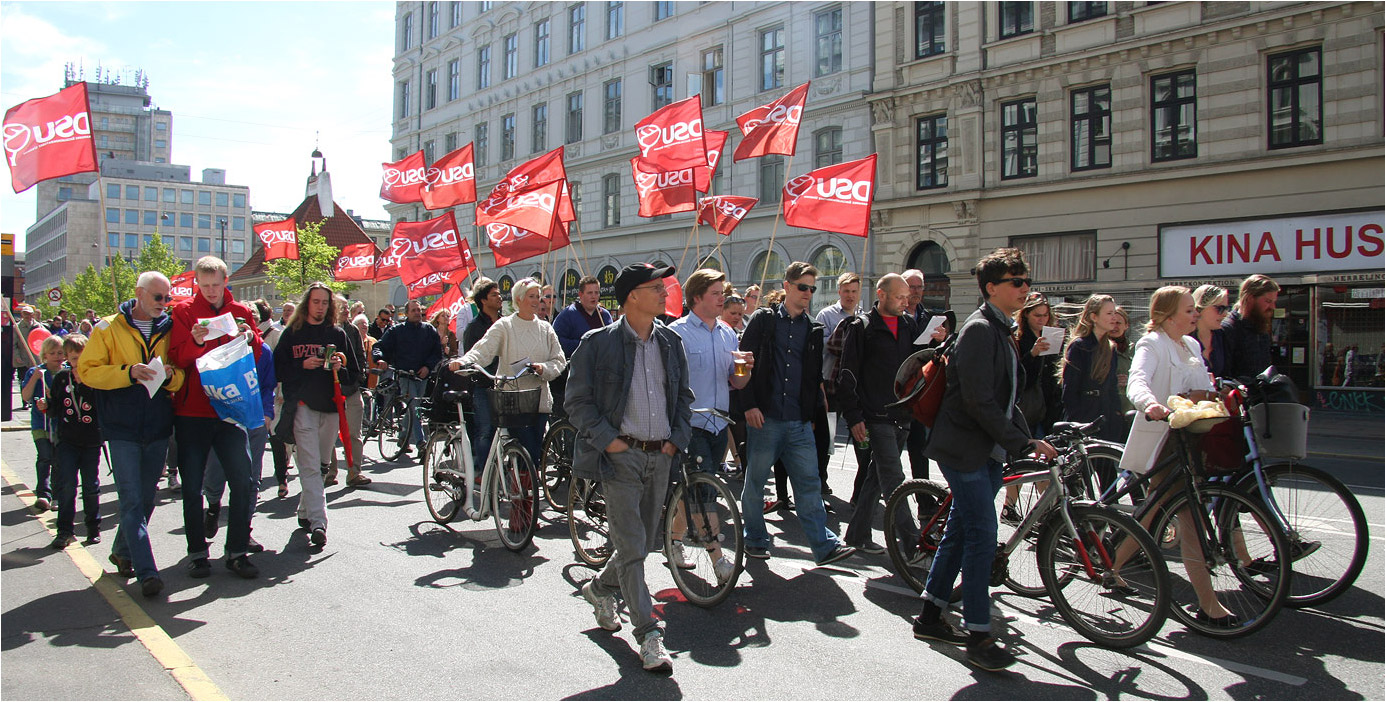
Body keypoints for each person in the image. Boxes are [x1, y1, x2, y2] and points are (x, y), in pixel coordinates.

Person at [916, 248, 1057, 671]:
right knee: (981, 535)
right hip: (965, 450)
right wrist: (1021, 443)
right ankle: (978, 634)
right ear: (991, 288)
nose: (1024, 288)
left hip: (986, 449)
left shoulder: (1001, 329)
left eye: (1026, 281)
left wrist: (1028, 438)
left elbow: (1005, 398)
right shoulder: (981, 330)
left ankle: (928, 616)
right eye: (1016, 282)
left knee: (961, 530)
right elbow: (979, 401)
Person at [565, 263, 694, 673]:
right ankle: (648, 634)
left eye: (663, 286)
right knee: (633, 546)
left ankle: (600, 589)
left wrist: (676, 440)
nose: (664, 292)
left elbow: (684, 399)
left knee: (642, 542)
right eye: (655, 287)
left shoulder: (671, 342)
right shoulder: (597, 342)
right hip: (620, 458)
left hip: (661, 455)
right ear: (631, 297)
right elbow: (577, 401)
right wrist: (612, 442)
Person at [1118, 286, 1237, 625]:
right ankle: (1208, 603)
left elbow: (1200, 384)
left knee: (1155, 508)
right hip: (1165, 439)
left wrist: (1220, 391)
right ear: (1168, 316)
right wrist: (1149, 403)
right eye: (1189, 310)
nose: (1195, 314)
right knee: (1189, 517)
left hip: (1193, 438)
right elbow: (1137, 381)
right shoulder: (1151, 343)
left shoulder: (1192, 345)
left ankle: (1111, 565)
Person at [737, 261, 856, 566]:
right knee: (755, 483)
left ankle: (823, 545)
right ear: (787, 286)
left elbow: (813, 376)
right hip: (765, 418)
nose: (807, 293)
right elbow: (740, 363)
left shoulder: (814, 328)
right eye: (802, 287)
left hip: (799, 421)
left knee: (809, 484)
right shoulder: (764, 321)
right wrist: (748, 404)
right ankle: (755, 538)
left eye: (812, 289)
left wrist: (816, 416)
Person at [81, 272, 184, 597]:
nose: (164, 304)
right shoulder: (107, 327)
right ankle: (147, 571)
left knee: (145, 498)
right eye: (158, 297)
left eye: (167, 298)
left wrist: (170, 377)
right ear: (139, 293)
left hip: (156, 426)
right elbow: (86, 371)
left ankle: (123, 552)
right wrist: (128, 373)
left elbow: (181, 376)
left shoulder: (170, 328)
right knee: (130, 500)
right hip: (121, 427)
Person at [168, 255, 264, 580]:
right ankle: (197, 553)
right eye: (204, 285)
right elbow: (178, 357)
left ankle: (236, 551)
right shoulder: (182, 312)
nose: (210, 291)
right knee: (192, 485)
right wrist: (195, 340)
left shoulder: (240, 313)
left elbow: (258, 352)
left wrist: (251, 338)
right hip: (192, 411)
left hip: (230, 409)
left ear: (225, 282)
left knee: (242, 480)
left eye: (215, 284)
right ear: (197, 283)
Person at [667, 268, 753, 582]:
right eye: (716, 294)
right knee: (705, 494)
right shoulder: (676, 333)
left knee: (696, 493)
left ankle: (673, 540)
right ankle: (718, 559)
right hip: (691, 425)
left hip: (720, 424)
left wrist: (745, 369)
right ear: (697, 298)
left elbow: (737, 383)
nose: (722, 299)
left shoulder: (728, 333)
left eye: (722, 293)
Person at [838, 273, 920, 555]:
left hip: (903, 413)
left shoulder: (909, 324)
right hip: (875, 414)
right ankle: (913, 544)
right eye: (899, 297)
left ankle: (856, 535)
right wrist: (854, 416)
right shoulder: (861, 326)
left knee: (877, 475)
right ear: (882, 294)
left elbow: (917, 364)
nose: (905, 302)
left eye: (907, 297)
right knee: (894, 480)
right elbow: (846, 374)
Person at [274, 283, 360, 547]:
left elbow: (354, 373)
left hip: (331, 406)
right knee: (309, 466)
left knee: (322, 466)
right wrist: (302, 364)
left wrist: (340, 364)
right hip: (302, 405)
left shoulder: (337, 333)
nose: (321, 307)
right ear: (306, 304)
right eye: (316, 302)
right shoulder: (292, 333)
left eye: (325, 303)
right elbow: (277, 369)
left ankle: (305, 510)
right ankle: (319, 523)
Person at [452, 278, 566, 464]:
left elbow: (559, 360)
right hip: (512, 400)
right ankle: (520, 486)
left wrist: (543, 368)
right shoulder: (504, 326)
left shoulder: (546, 328)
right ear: (518, 299)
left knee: (536, 451)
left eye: (538, 296)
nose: (537, 300)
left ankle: (526, 488)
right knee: (525, 450)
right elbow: (483, 350)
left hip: (540, 399)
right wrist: (463, 362)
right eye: (531, 296)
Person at [201, 331, 275, 553]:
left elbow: (268, 386)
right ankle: (213, 506)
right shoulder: (219, 352)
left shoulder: (263, 352)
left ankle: (244, 531)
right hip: (224, 423)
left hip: (255, 423)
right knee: (215, 475)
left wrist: (267, 414)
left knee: (252, 480)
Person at [46, 334, 103, 549]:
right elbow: (55, 409)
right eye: (73, 358)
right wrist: (46, 405)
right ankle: (64, 530)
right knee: (67, 485)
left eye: (81, 357)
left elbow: (102, 408)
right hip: (67, 440)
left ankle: (92, 528)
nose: (77, 362)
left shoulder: (96, 377)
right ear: (67, 359)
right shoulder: (62, 378)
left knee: (91, 486)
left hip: (91, 440)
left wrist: (85, 384)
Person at [372, 300, 443, 455]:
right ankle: (421, 443)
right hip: (405, 376)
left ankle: (403, 437)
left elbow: (437, 352)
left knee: (413, 408)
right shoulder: (396, 330)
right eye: (413, 310)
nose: (417, 313)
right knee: (414, 407)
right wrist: (380, 359)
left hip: (422, 376)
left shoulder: (429, 330)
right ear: (407, 313)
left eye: (419, 310)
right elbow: (379, 346)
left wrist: (428, 367)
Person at [1060, 294, 1125, 443]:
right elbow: (1069, 390)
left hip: (1106, 416)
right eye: (1109, 313)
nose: (1114, 317)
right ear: (1094, 317)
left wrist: (1117, 415)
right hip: (1084, 415)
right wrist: (1076, 421)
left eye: (1114, 312)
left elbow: (1112, 387)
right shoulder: (1079, 346)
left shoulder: (1111, 347)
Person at [326, 294, 370, 487]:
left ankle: (354, 472)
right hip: (329, 392)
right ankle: (329, 471)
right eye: (342, 307)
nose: (346, 310)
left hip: (351, 390)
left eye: (347, 307)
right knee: (328, 435)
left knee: (354, 433)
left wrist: (357, 379)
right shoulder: (325, 330)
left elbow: (360, 357)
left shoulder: (352, 330)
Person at [461, 278, 503, 463]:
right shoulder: (474, 328)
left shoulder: (505, 323)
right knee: (485, 430)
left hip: (503, 385)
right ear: (483, 300)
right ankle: (483, 469)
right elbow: (474, 358)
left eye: (499, 294)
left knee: (502, 431)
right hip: (483, 386)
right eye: (494, 295)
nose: (499, 297)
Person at [21, 335, 64, 512]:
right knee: (45, 456)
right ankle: (43, 494)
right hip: (41, 424)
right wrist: (34, 378)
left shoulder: (67, 372)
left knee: (58, 459)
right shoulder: (35, 372)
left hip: (61, 425)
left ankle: (56, 494)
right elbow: (25, 396)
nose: (57, 356)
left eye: (60, 352)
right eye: (52, 353)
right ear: (45, 355)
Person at [1220, 274, 1280, 380]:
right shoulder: (1228, 328)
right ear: (1250, 298)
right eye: (1268, 301)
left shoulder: (1261, 327)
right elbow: (1225, 374)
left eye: (1274, 302)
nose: (1272, 307)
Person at [553, 275, 614, 358]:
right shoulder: (568, 314)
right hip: (577, 365)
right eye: (590, 293)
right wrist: (585, 344)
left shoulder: (604, 315)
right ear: (580, 294)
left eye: (596, 293)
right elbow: (556, 340)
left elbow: (612, 340)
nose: (594, 296)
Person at [1191, 285, 1230, 376]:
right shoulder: (1184, 338)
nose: (1225, 314)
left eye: (1226, 309)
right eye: (1219, 308)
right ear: (1200, 308)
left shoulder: (1223, 335)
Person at [13, 304, 41, 406]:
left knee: (36, 378)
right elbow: (14, 344)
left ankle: (34, 399)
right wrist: (17, 356)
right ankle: (24, 401)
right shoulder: (17, 327)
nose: (27, 316)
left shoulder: (38, 326)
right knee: (23, 379)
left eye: (29, 314)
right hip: (23, 358)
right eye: (25, 314)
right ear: (22, 314)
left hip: (35, 358)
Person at [1112, 306, 1135, 415]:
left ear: (1126, 325)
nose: (1114, 327)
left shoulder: (1135, 350)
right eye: (1112, 323)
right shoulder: (1098, 349)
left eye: (1118, 323)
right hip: (1109, 407)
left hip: (1130, 408)